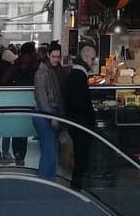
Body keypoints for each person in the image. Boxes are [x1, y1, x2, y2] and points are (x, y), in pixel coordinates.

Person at [62, 47, 98, 190]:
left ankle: (77, 186)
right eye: (92, 58)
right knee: (81, 156)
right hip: (80, 123)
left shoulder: (75, 74)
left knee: (80, 156)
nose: (93, 62)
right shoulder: (79, 76)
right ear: (85, 57)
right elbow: (79, 102)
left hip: (76, 122)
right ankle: (76, 187)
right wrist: (90, 118)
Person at [32, 44, 65, 181]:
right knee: (49, 149)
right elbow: (41, 96)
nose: (56, 59)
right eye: (53, 56)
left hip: (48, 114)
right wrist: (51, 116)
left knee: (50, 149)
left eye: (58, 57)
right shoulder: (43, 72)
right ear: (48, 55)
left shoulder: (48, 70)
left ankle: (48, 180)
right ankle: (47, 180)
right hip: (47, 114)